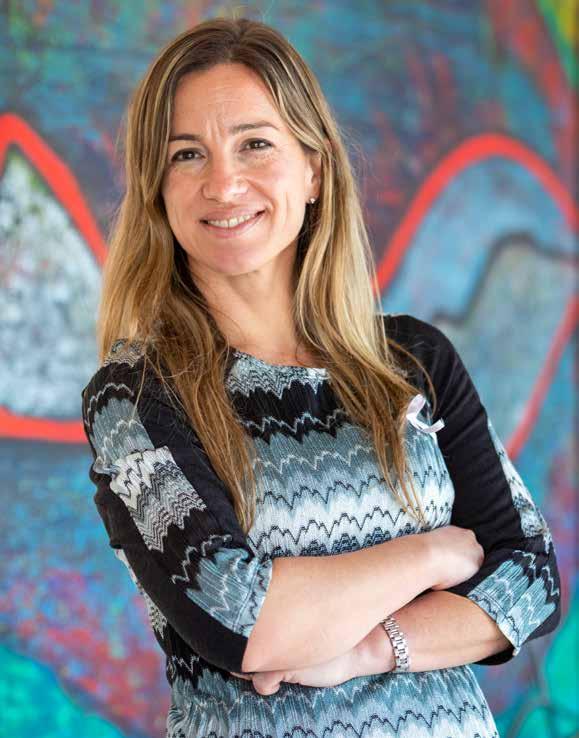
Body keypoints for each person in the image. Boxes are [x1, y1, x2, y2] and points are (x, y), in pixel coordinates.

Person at [80, 16, 562, 738]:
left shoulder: (412, 360)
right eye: (187, 154)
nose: (223, 183)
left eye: (254, 144)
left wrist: (368, 649)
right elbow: (247, 625)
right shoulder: (137, 395)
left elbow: (530, 580)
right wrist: (434, 553)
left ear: (313, 169)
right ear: (158, 190)